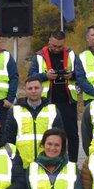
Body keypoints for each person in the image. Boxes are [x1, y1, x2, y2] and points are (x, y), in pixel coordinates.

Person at [4, 76, 63, 189]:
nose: (33, 91)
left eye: (37, 88)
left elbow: (60, 137)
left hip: (47, 169)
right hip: (23, 170)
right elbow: (8, 140)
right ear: (25, 90)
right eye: (30, 88)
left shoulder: (52, 110)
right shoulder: (16, 111)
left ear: (42, 89)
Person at [30, 30, 80, 161]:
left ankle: (73, 163)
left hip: (67, 101)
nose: (57, 49)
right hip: (47, 101)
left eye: (60, 46)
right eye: (54, 46)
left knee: (72, 134)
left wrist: (71, 75)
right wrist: (45, 76)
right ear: (49, 42)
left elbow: (82, 75)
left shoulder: (72, 55)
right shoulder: (39, 57)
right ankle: (48, 161)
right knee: (48, 134)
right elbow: (31, 77)